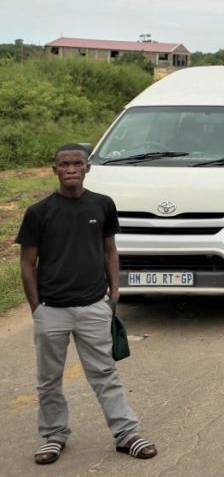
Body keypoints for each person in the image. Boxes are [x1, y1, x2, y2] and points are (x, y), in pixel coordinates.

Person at [16, 144, 158, 465]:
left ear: (86, 168)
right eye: (63, 164)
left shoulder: (102, 205)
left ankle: (126, 434)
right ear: (54, 170)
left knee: (105, 373)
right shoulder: (39, 212)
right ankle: (53, 436)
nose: (70, 169)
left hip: (94, 306)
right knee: (49, 379)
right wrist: (36, 307)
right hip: (51, 309)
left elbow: (110, 250)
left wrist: (115, 292)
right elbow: (27, 263)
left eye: (76, 164)